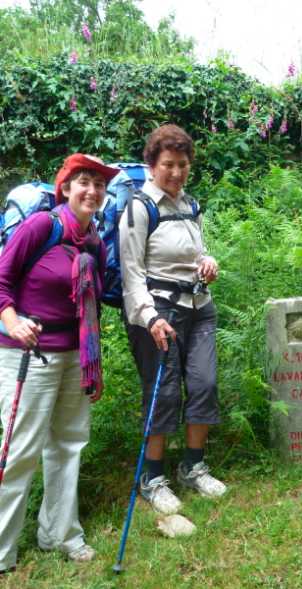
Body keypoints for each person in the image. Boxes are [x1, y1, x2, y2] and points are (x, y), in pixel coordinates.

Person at [0, 154, 119, 573]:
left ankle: (60, 533)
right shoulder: (41, 227)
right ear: (65, 188)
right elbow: (1, 279)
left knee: (68, 445)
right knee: (21, 450)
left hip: (74, 356)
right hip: (27, 354)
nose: (92, 190)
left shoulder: (94, 241)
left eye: (99, 184)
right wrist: (13, 322)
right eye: (84, 182)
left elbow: (98, 301)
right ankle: (1, 549)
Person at [120, 124, 226, 516]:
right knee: (163, 392)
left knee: (205, 383)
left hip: (199, 307)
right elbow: (131, 275)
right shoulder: (139, 208)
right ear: (151, 165)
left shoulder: (190, 206)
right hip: (157, 314)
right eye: (168, 165)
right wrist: (149, 319)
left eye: (182, 165)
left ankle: (193, 466)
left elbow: (194, 253)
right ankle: (152, 478)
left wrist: (207, 262)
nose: (176, 173)